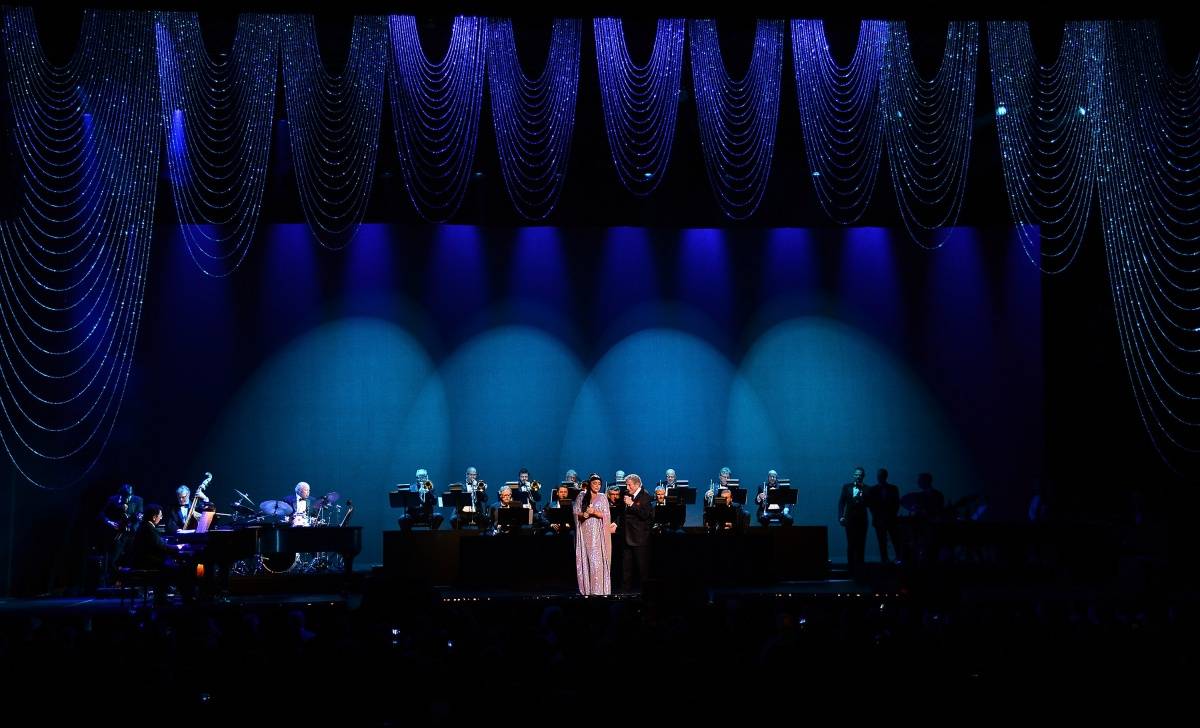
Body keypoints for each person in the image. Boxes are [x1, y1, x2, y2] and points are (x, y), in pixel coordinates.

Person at [574, 474, 611, 595]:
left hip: (598, 532)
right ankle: (587, 589)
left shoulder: (603, 497)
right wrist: (583, 514)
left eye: (599, 484)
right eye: (595, 483)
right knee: (587, 558)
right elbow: (576, 512)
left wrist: (594, 512)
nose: (597, 486)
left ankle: (598, 590)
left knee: (597, 561)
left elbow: (606, 514)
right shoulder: (582, 495)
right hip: (585, 531)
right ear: (590, 484)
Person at [621, 473, 653, 593]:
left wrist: (632, 504)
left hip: (640, 538)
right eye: (626, 485)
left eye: (629, 485)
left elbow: (645, 515)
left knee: (642, 569)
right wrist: (616, 524)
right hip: (627, 537)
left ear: (637, 485)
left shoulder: (645, 497)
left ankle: (645, 594)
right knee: (626, 568)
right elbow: (624, 515)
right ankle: (625, 593)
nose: (627, 487)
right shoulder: (627, 495)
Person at [838, 466, 869, 573]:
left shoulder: (867, 489)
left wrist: (862, 498)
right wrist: (841, 516)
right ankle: (851, 568)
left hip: (862, 520)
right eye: (856, 474)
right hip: (850, 519)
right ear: (853, 475)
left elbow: (870, 504)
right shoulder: (847, 487)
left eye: (860, 475)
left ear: (863, 476)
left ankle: (860, 568)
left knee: (861, 544)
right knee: (851, 544)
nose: (858, 476)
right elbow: (841, 503)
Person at [867, 468, 901, 563]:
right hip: (882, 519)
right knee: (884, 541)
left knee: (893, 539)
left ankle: (893, 558)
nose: (880, 478)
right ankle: (886, 559)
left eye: (881, 476)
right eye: (879, 476)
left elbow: (896, 503)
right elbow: (871, 505)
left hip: (888, 518)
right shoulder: (875, 489)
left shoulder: (891, 488)